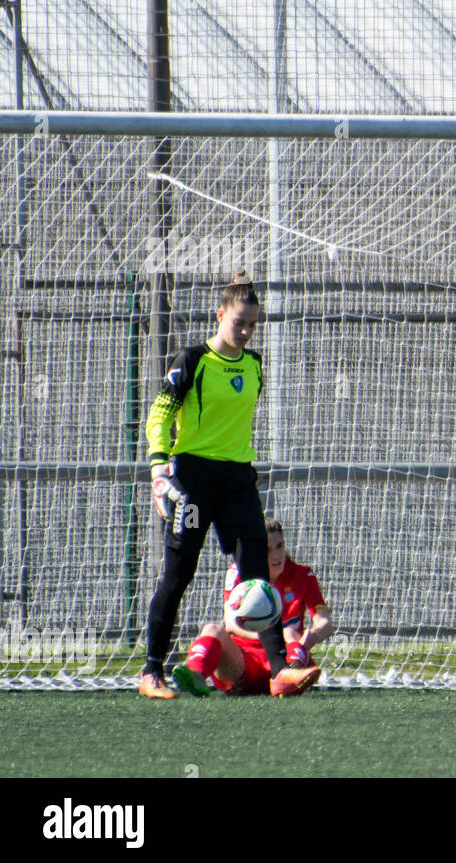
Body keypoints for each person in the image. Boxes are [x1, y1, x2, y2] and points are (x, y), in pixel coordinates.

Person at [139, 271, 321, 699]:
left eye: (252, 324)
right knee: (178, 575)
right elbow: (159, 415)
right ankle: (151, 672)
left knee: (257, 575)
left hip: (238, 480)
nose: (245, 331)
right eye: (238, 321)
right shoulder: (191, 361)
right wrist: (159, 468)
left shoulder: (255, 365)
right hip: (193, 483)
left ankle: (280, 672)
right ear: (219, 314)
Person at [172, 516, 334, 696]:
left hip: (285, 657)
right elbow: (231, 623)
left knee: (291, 635)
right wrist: (268, 636)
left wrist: (312, 636)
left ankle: (288, 678)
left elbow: (325, 624)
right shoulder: (238, 572)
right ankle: (196, 675)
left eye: (280, 546)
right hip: (242, 663)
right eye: (268, 550)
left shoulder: (303, 575)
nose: (276, 556)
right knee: (211, 629)